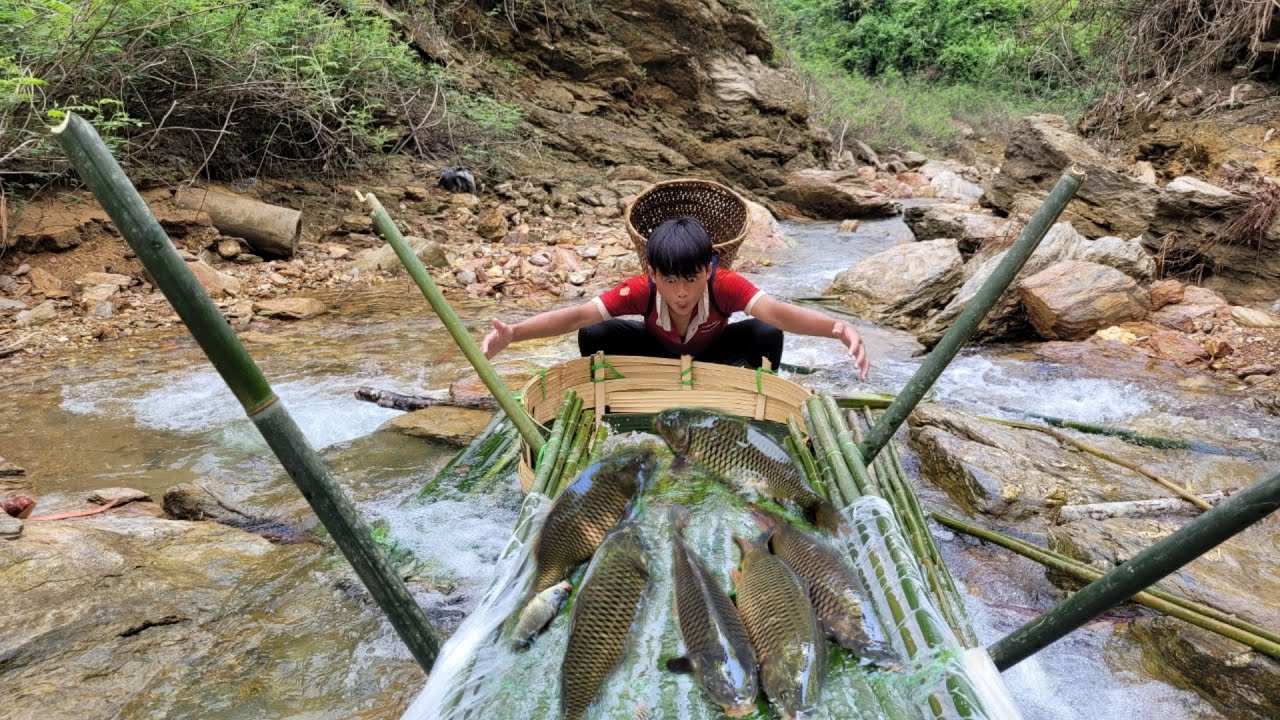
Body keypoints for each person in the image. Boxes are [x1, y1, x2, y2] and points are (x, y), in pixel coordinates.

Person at [480, 216, 870, 380]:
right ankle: (616, 397)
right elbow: (575, 315)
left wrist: (838, 327)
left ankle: (754, 399)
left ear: (709, 269)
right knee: (595, 332)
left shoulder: (725, 284)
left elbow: (780, 314)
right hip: (659, 355)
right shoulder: (640, 290)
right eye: (669, 280)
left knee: (766, 332)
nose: (681, 292)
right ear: (652, 274)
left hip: (713, 354)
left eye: (691, 279)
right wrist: (513, 334)